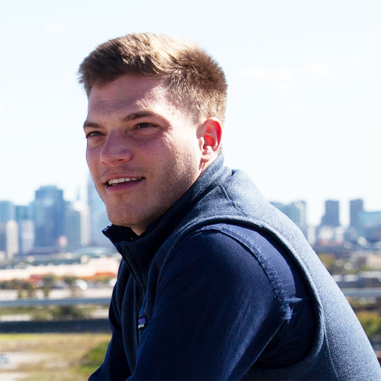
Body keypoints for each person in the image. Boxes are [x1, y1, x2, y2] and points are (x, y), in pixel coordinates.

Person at [78, 33, 380, 380]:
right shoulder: (149, 248)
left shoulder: (220, 251)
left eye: (143, 126)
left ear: (208, 140)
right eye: (95, 134)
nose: (110, 153)